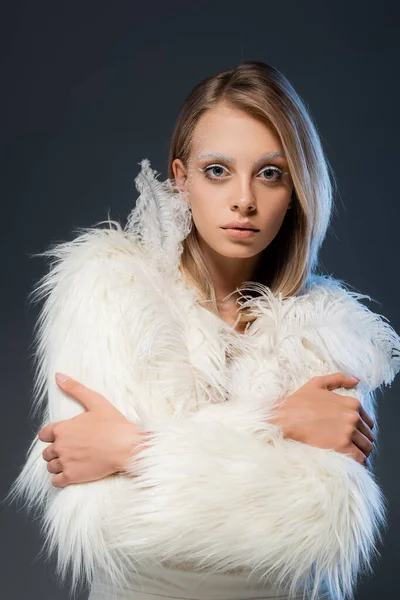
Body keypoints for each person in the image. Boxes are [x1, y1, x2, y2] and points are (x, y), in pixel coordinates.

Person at [6, 61, 400, 600]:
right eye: (218, 170)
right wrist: (279, 426)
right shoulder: (106, 293)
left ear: (296, 189)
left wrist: (131, 451)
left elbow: (320, 525)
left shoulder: (333, 331)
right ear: (181, 177)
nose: (244, 199)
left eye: (270, 172)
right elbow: (108, 520)